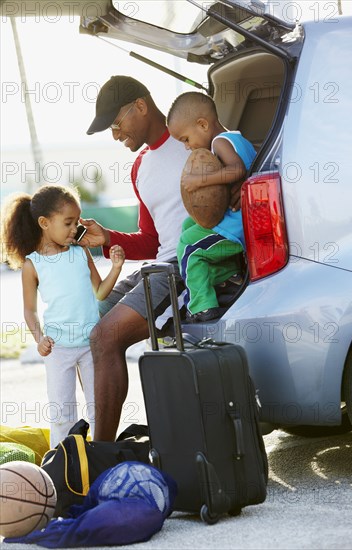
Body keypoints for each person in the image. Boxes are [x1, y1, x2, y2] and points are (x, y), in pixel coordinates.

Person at [83, 75, 191, 441]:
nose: (115, 135)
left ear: (141, 106)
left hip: (186, 268)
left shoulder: (193, 140)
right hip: (157, 266)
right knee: (81, 322)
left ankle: (101, 452)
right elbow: (150, 240)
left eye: (116, 124)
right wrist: (108, 238)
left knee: (105, 336)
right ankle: (86, 432)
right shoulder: (140, 165)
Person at [0, 185, 124, 448]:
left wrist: (116, 268)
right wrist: (39, 338)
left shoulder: (81, 253)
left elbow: (100, 292)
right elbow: (29, 309)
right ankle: (63, 464)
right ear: (44, 223)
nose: (74, 229)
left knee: (98, 407)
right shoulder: (33, 264)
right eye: (68, 223)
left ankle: (101, 455)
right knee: (61, 412)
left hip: (91, 344)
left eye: (77, 222)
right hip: (58, 349)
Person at [166, 91, 257, 322]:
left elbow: (237, 170)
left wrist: (199, 180)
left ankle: (201, 306)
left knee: (189, 247)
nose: (187, 147)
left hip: (234, 230)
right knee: (189, 224)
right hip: (237, 224)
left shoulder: (220, 142)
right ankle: (230, 274)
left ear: (203, 124)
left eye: (186, 139)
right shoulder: (240, 139)